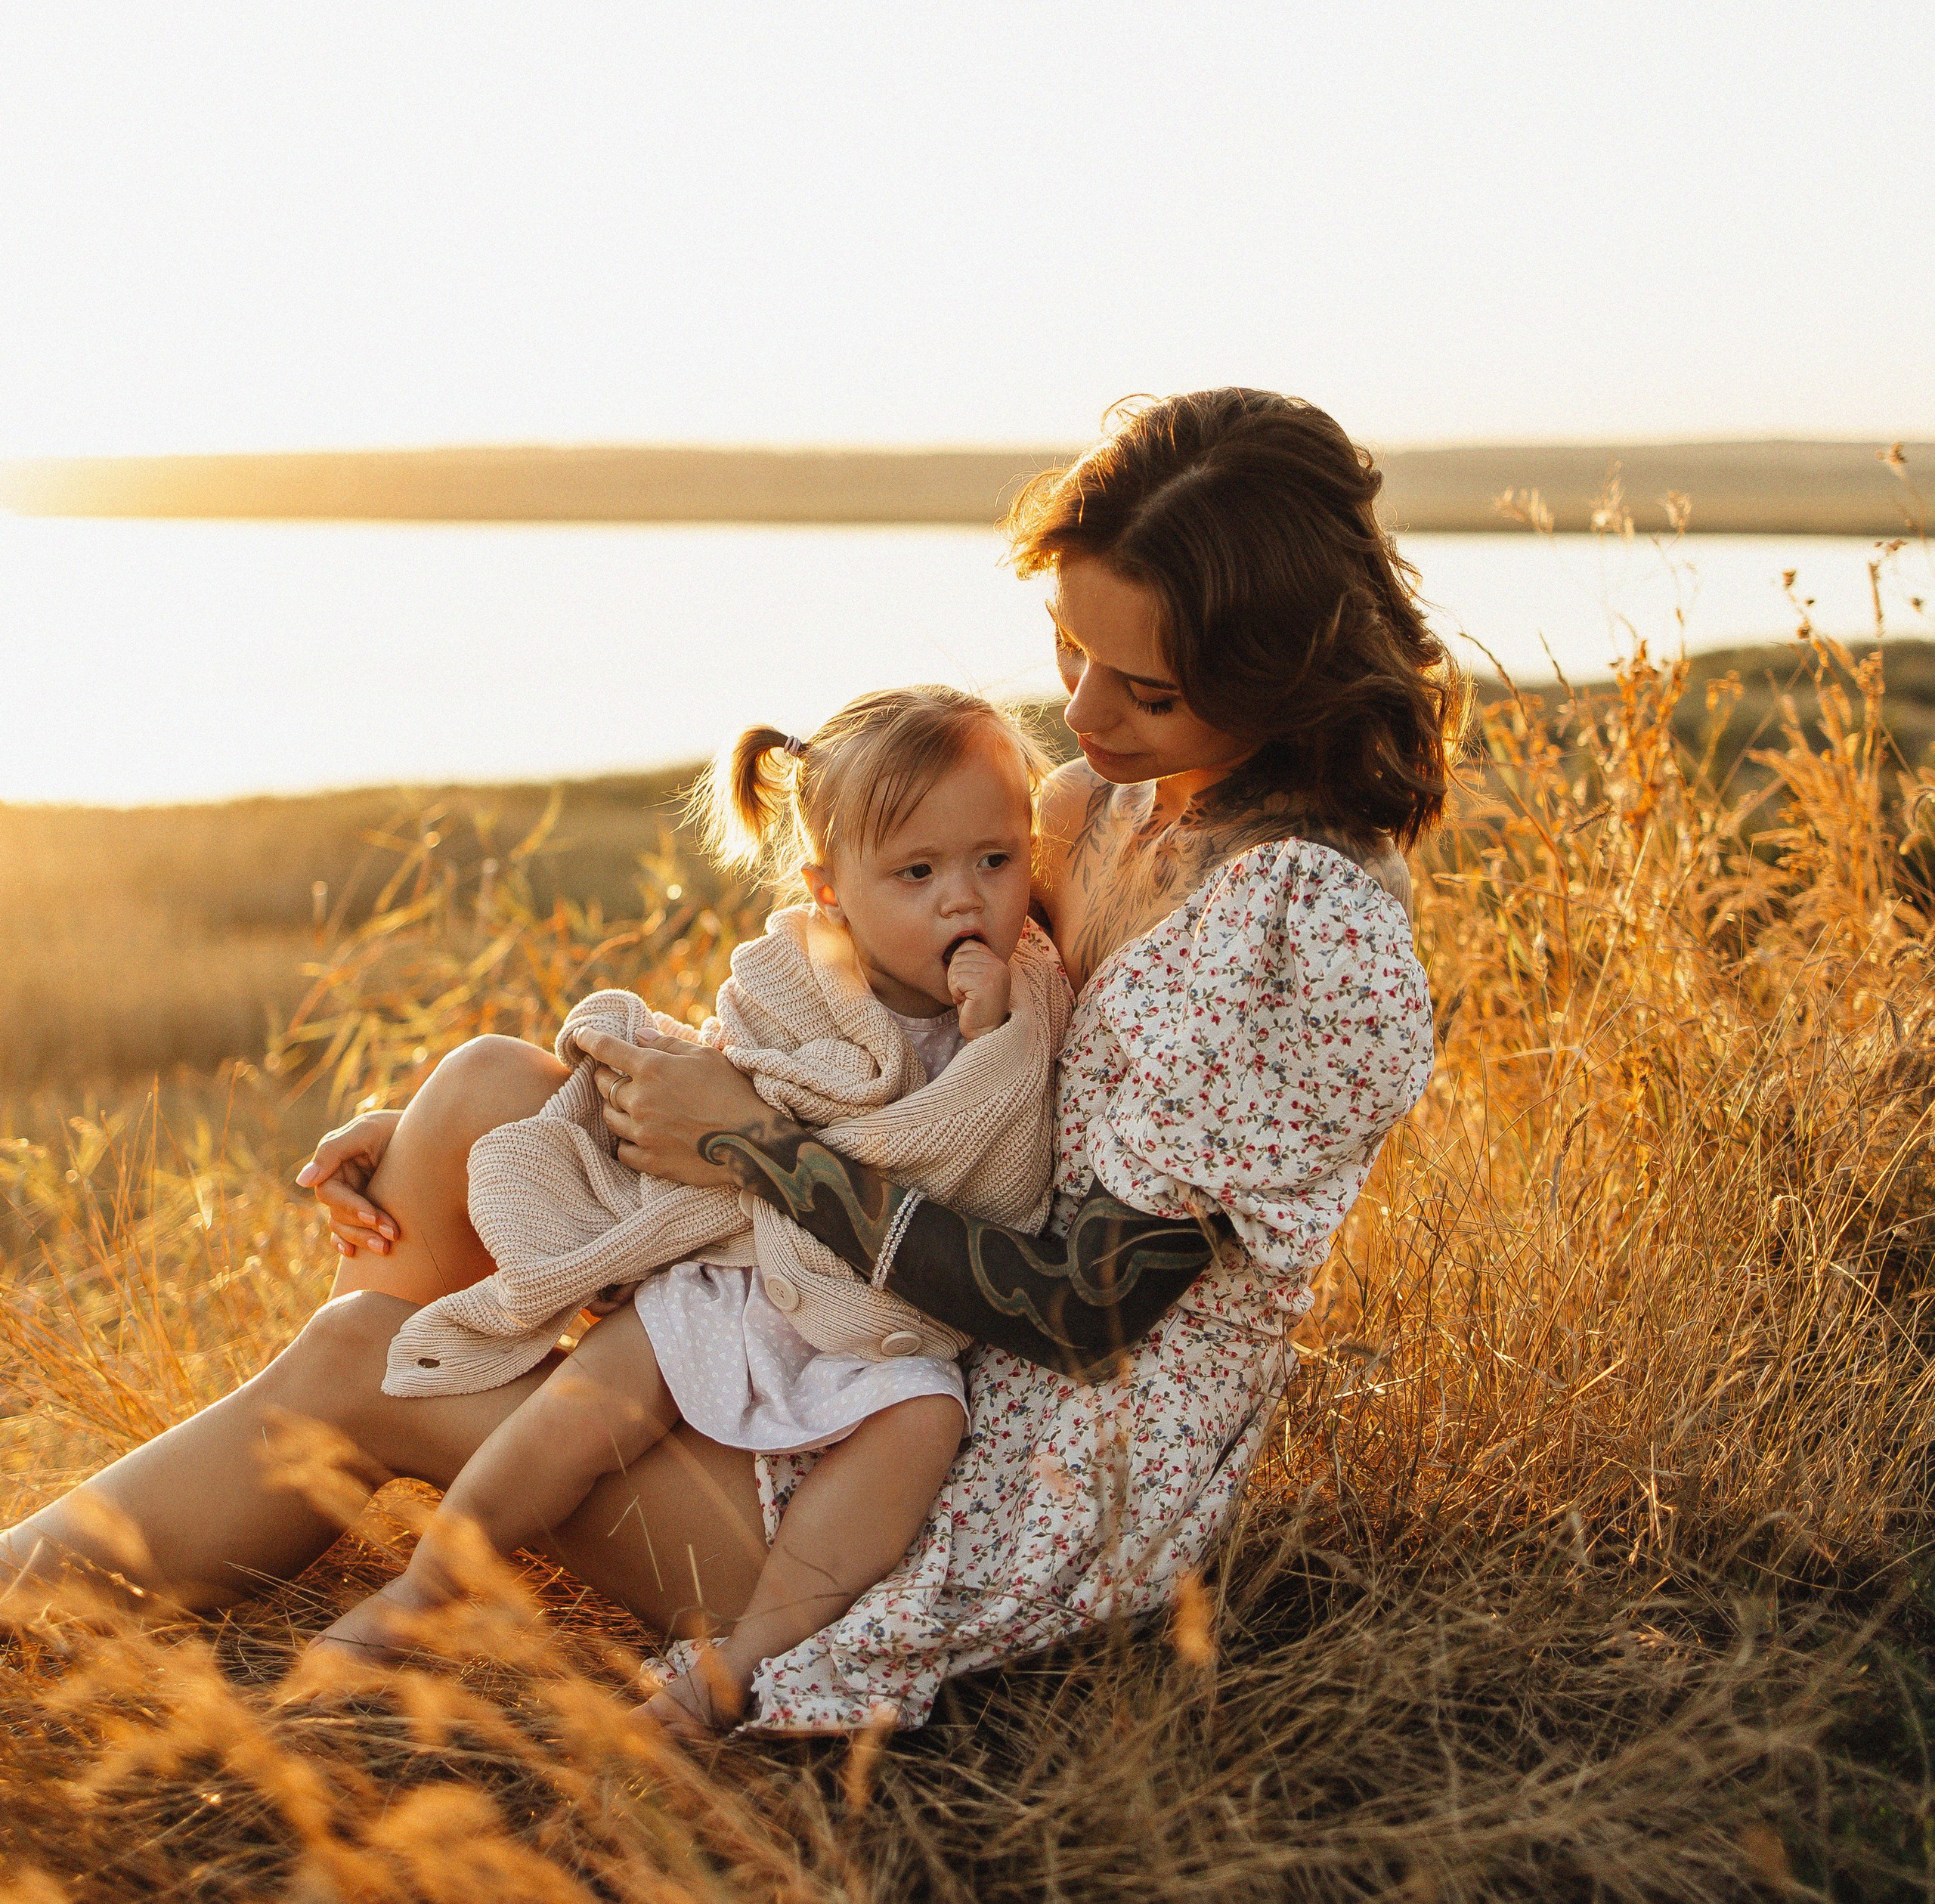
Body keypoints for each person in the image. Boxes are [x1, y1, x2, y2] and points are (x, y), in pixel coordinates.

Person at [1, 389, 1456, 1738]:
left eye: (1140, 688)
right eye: (1071, 652)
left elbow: (1081, 1315)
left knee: (348, 1357)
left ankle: (105, 1568)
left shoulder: (1302, 929)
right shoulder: (1116, 802)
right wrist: (598, 1117)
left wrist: (753, 1150)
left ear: (1283, 677)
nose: (1079, 717)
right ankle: (379, 1455)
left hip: (966, 1488)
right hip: (858, 1309)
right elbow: (906, 1041)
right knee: (482, 1096)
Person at [314, 686, 1070, 1738]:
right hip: (746, 1268)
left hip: (883, 1316)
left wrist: (988, 1040)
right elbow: (716, 1081)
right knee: (587, 1408)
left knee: (924, 1421)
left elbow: (997, 1171)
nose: (966, 901)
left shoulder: (1027, 996)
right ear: (832, 893)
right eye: (916, 874)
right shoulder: (800, 976)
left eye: (995, 859)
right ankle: (428, 1587)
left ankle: (745, 1659)